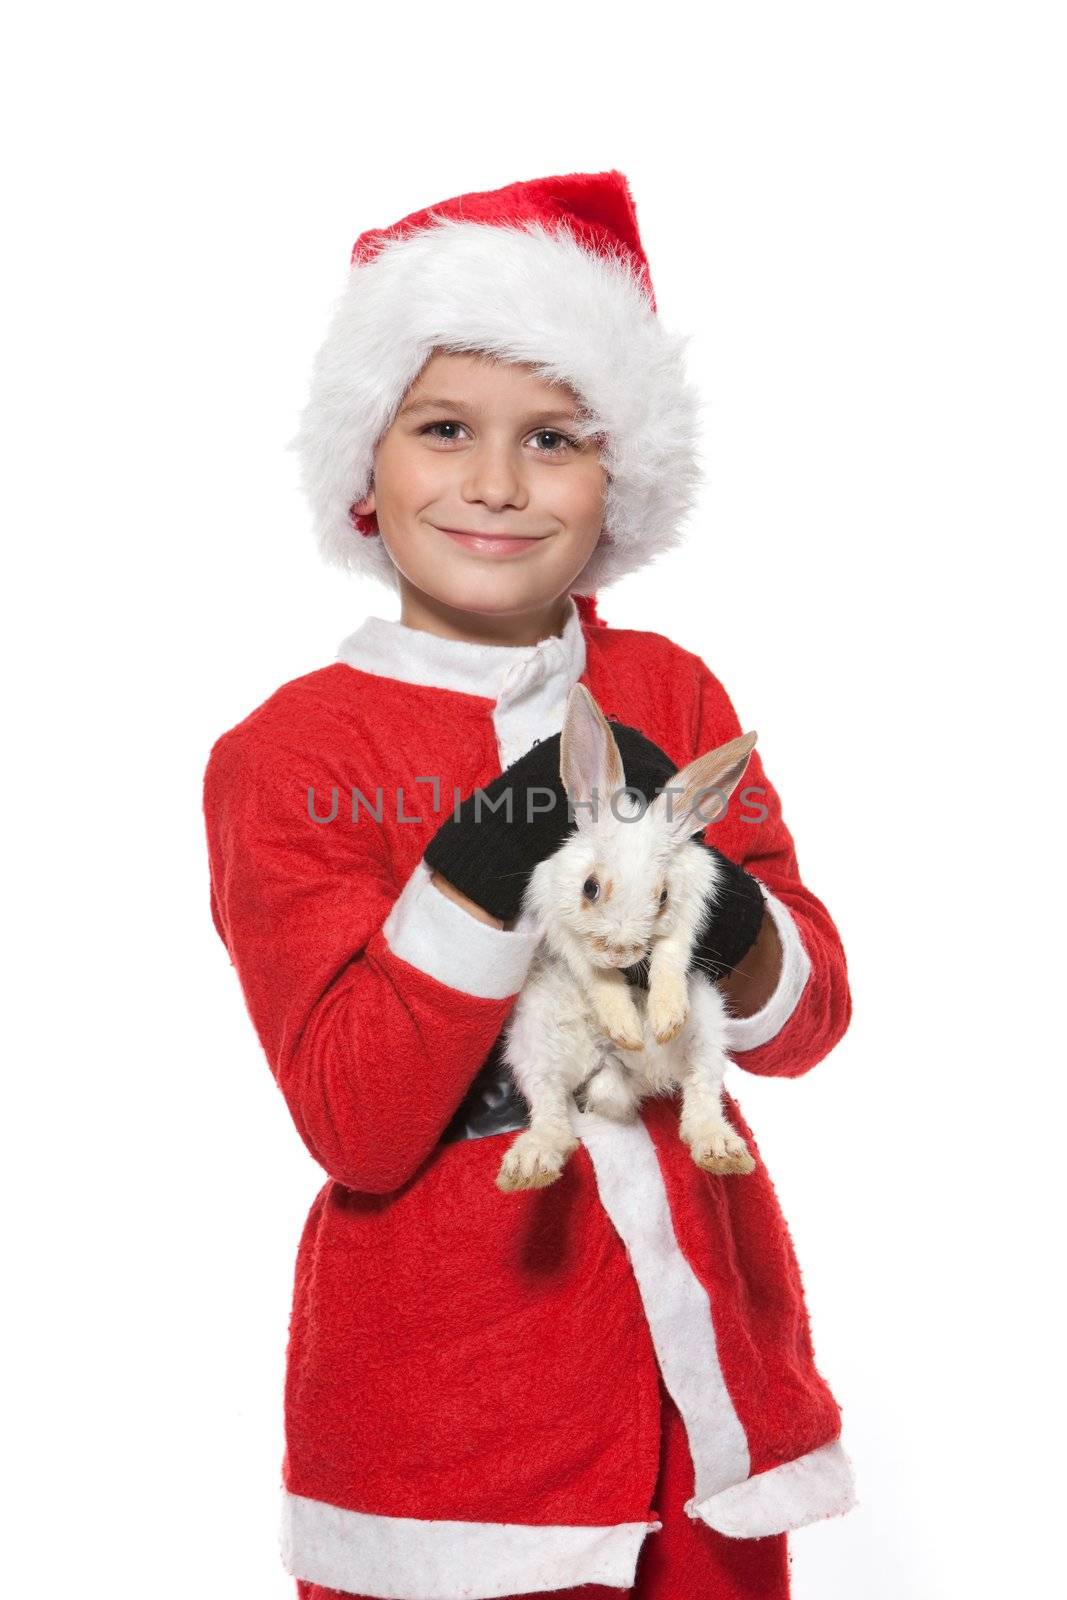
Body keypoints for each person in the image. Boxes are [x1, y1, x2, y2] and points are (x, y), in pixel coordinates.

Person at [201, 169, 857, 1600]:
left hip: (703, 1388)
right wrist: (497, 848)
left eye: (552, 438)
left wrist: (710, 901)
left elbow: (809, 1020)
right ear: (363, 473)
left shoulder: (671, 691)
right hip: (457, 1405)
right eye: (444, 430)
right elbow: (360, 1125)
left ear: (618, 475)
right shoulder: (292, 754)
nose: (496, 483)